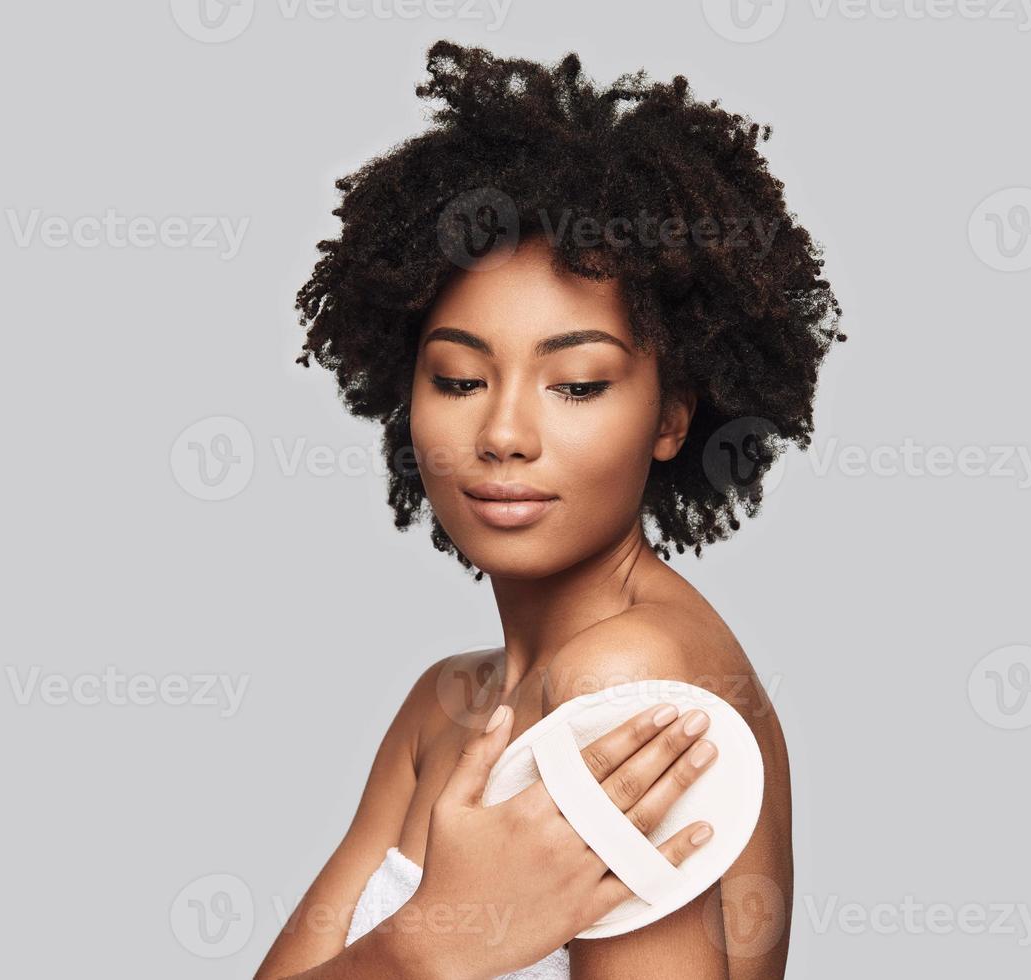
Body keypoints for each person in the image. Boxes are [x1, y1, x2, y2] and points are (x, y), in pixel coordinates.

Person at [256, 39, 843, 980]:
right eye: (457, 377)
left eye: (575, 384)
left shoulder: (630, 683)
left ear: (671, 417)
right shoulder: (441, 707)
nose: (503, 432)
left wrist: (427, 947)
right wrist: (425, 944)